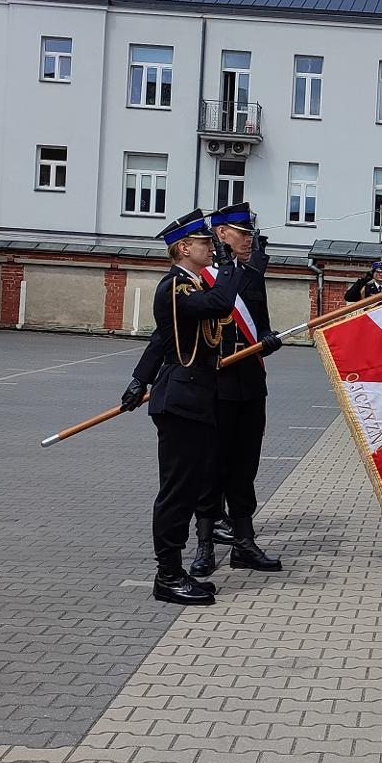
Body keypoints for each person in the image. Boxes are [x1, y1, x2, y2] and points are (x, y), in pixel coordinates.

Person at [117, 209, 264, 606]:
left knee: (189, 488)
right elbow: (218, 305)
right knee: (177, 493)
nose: (210, 247)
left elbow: (162, 340)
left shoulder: (191, 284)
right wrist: (231, 263)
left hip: (194, 399)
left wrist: (139, 379)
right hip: (181, 401)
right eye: (204, 243)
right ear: (184, 247)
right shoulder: (177, 287)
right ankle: (167, 575)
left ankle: (175, 570)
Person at [194, 203, 284, 577]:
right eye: (241, 233)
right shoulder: (202, 277)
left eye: (250, 233)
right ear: (221, 235)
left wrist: (266, 338)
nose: (248, 239)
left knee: (245, 467)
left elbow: (259, 323)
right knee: (211, 466)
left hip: (250, 385)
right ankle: (204, 545)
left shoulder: (251, 276)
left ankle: (244, 543)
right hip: (216, 386)